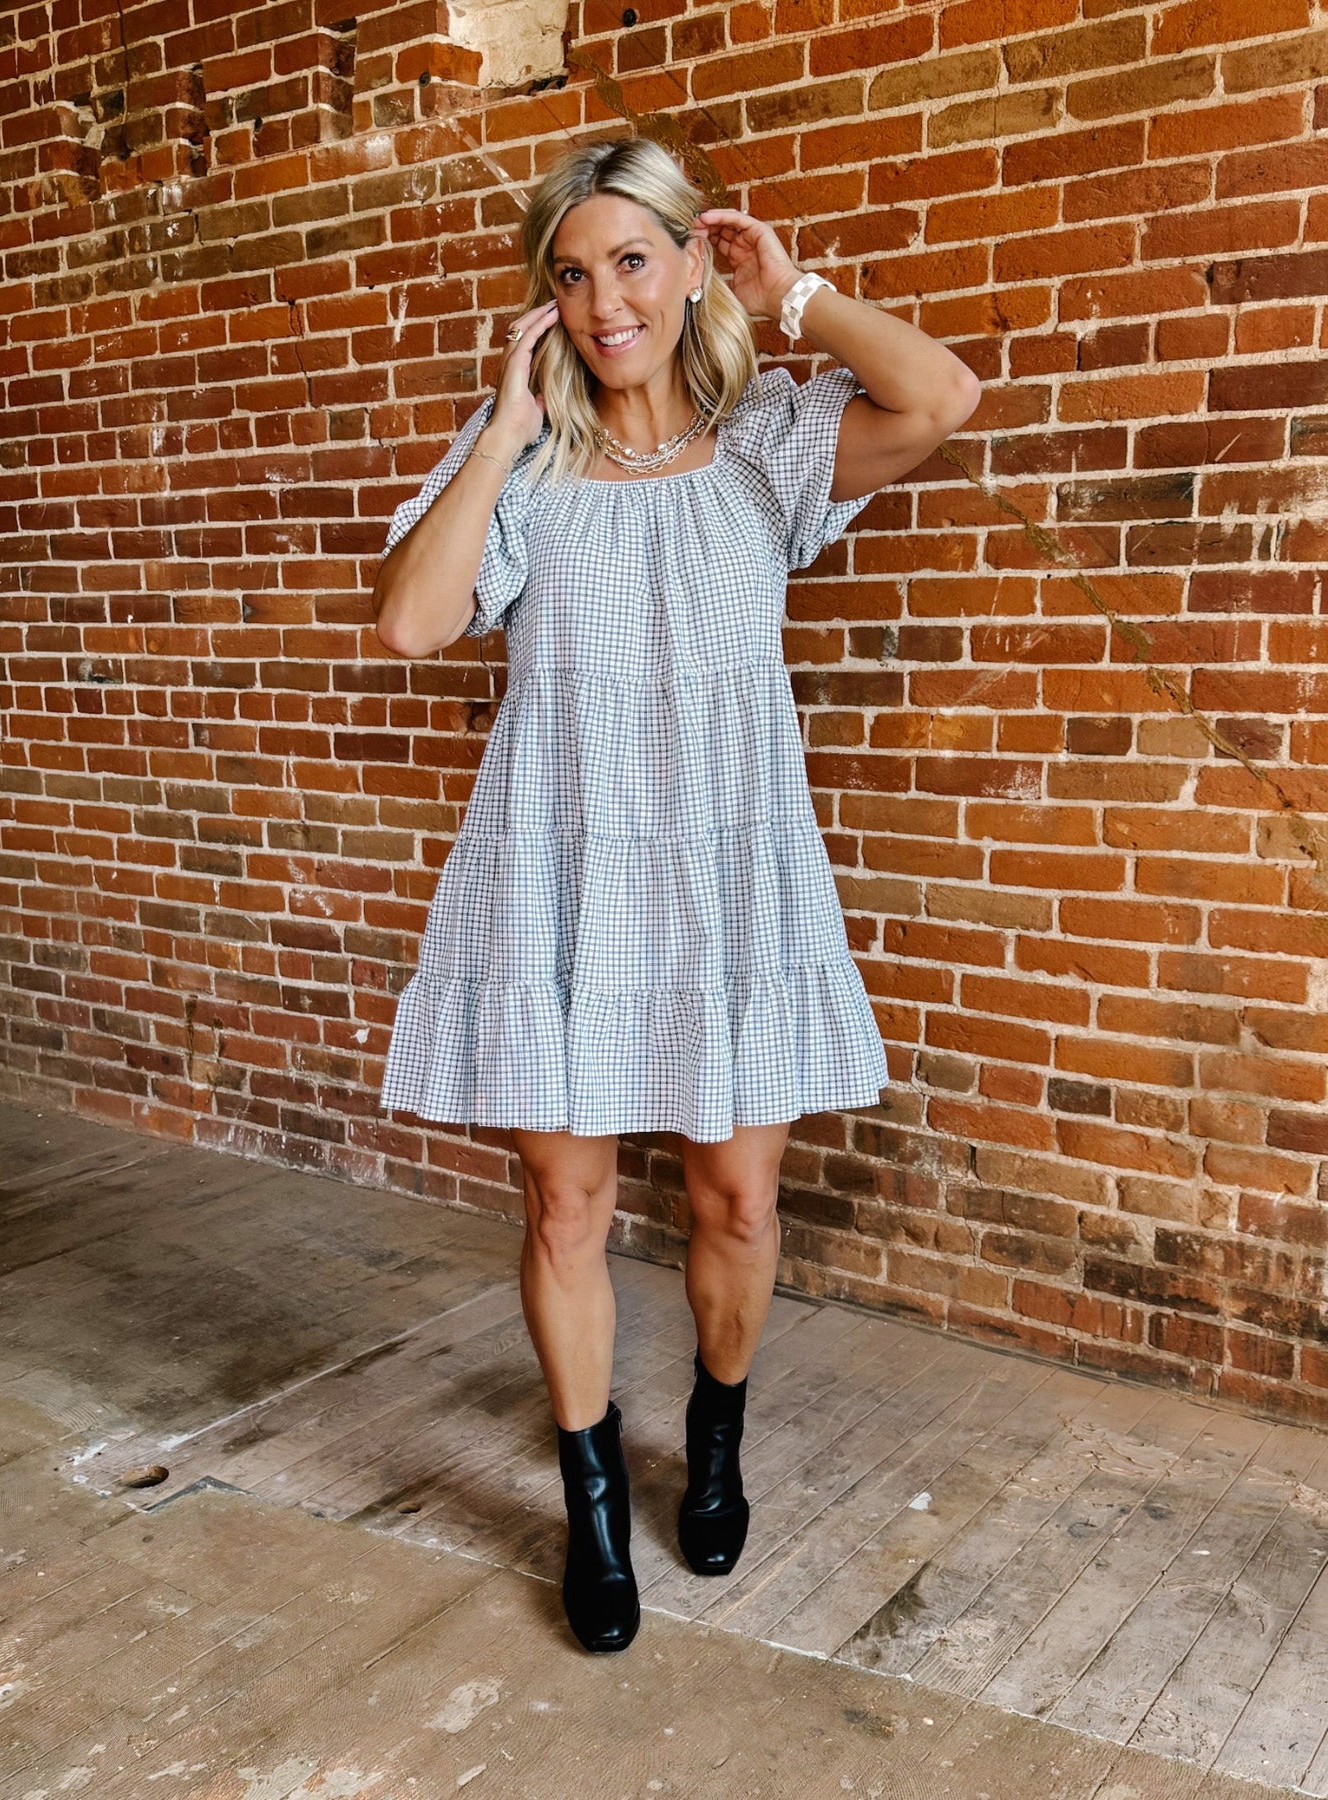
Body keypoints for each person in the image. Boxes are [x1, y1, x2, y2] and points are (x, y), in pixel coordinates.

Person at [372, 136, 980, 1655]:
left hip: (729, 877)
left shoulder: (769, 445)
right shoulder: (522, 468)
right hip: (558, 876)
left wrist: (798, 296)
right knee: (563, 1205)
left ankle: (714, 1442)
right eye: (571, 274)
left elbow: (939, 398)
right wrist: (505, 427)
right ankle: (591, 1505)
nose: (604, 302)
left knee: (738, 1199)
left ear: (692, 263)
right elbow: (413, 623)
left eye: (632, 260)